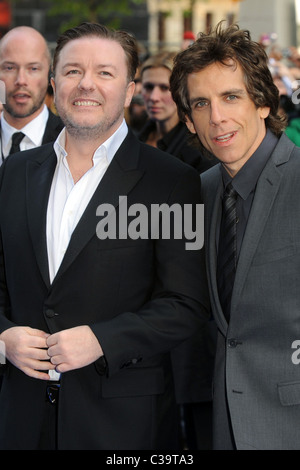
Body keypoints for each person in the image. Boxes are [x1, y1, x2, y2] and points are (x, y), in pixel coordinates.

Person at [0, 22, 209, 450]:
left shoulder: (172, 182)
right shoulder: (16, 172)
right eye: (73, 71)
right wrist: (2, 337)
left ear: (129, 90)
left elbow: (186, 304)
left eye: (105, 73)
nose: (86, 84)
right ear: (55, 83)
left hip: (122, 425)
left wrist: (101, 339)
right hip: (21, 417)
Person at [170, 22, 300, 450]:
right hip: (226, 424)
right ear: (188, 121)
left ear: (262, 102)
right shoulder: (200, 191)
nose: (218, 118)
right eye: (201, 104)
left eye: (231, 97)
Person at [139, 50, 215, 173]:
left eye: (164, 88)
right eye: (148, 87)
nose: (154, 97)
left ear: (181, 92)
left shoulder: (199, 150)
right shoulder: (133, 137)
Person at [0, 26, 63, 162]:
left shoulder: (72, 141)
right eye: (10, 68)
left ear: (49, 73)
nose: (21, 80)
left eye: (33, 68)